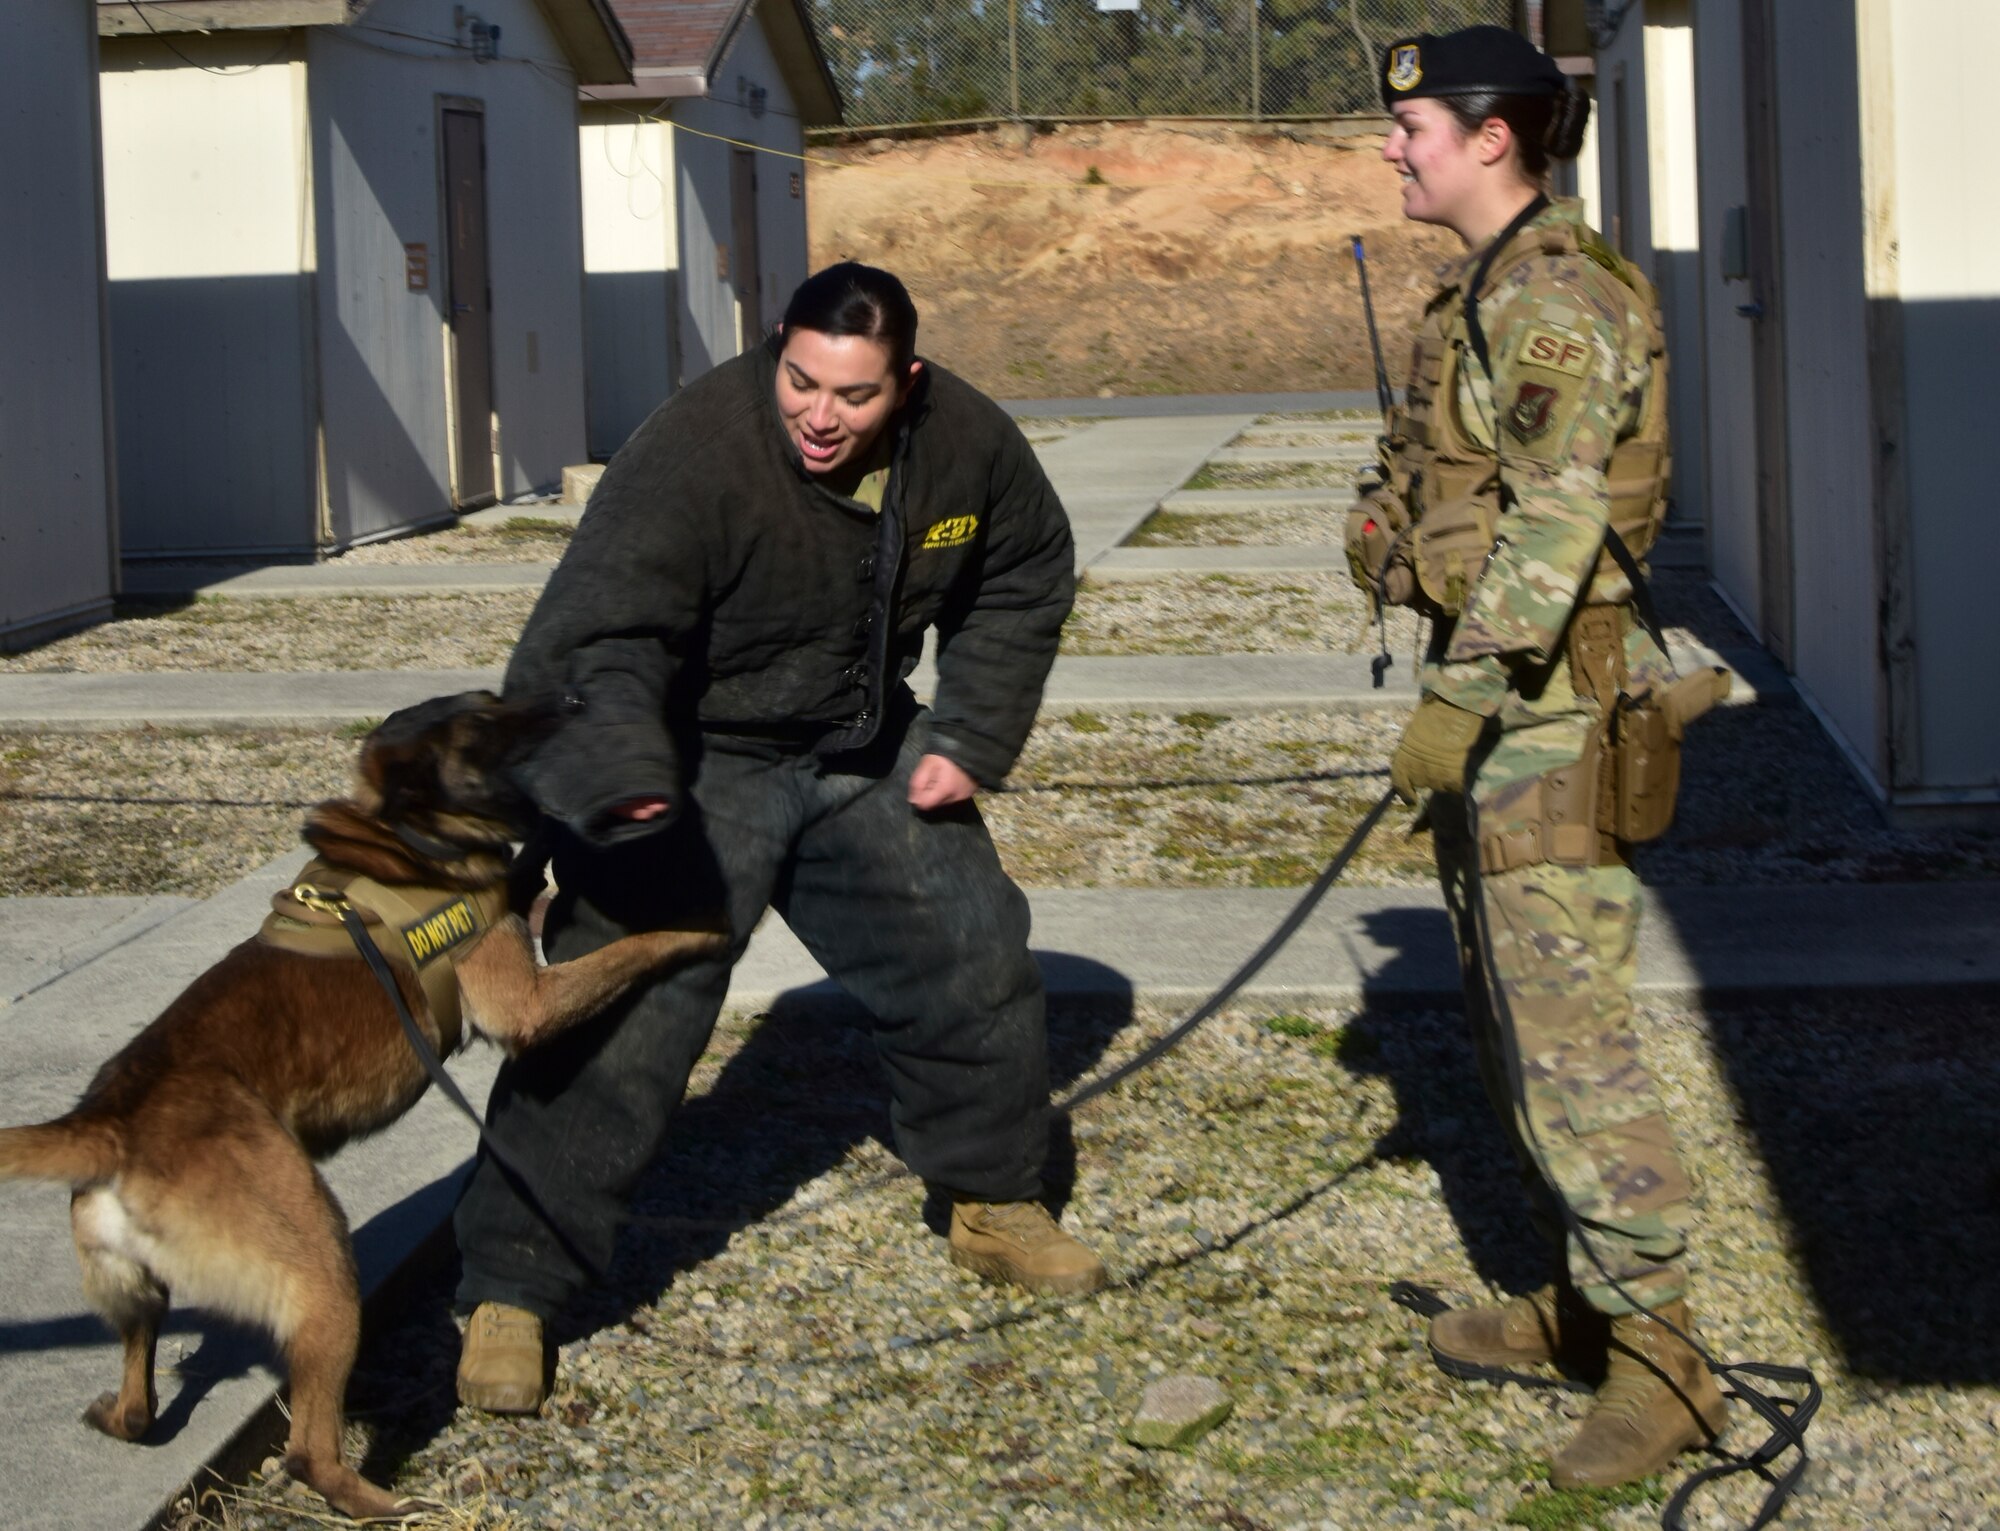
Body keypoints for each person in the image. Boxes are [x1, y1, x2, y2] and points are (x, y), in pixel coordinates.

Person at [452, 262, 1106, 1415]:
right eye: (799, 381)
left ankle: (991, 1198)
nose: (817, 414)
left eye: (851, 397)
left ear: (903, 383)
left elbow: (1022, 574)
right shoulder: (697, 449)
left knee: (972, 949)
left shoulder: (967, 443)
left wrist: (972, 732)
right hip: (696, 760)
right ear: (776, 353)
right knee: (624, 1018)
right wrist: (623, 789)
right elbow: (591, 639)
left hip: (863, 744)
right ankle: (513, 1287)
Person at [1344, 26, 1729, 1487]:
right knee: (1516, 1018)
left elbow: (1558, 522)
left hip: (1547, 715)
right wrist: (1389, 532)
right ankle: (1587, 1301)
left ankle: (1665, 1356)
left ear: (1491, 137)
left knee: (1575, 1040)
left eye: (1415, 127)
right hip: (1507, 707)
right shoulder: (1488, 287)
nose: (1395, 147)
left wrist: (1467, 691)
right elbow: (1466, 477)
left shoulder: (1555, 293)